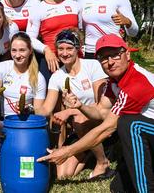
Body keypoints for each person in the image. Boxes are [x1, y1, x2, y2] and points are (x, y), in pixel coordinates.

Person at [37, 34, 154, 193]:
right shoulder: (115, 80)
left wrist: (67, 151)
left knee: (130, 125)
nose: (110, 62)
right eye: (104, 58)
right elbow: (101, 111)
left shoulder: (137, 82)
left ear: (127, 54)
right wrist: (80, 106)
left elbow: (107, 128)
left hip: (144, 130)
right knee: (117, 188)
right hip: (149, 131)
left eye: (115, 55)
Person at [36, 29, 111, 179]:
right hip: (79, 128)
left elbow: (101, 106)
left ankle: (102, 162)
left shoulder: (92, 66)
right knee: (63, 175)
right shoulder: (57, 76)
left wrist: (70, 111)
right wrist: (30, 108)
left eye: (69, 48)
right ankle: (89, 153)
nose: (64, 53)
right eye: (60, 49)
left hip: (101, 121)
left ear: (78, 48)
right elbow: (45, 109)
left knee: (79, 118)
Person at [27, 0, 79, 82]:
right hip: (52, 61)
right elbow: (29, 38)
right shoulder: (37, 9)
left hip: (75, 59)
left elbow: (81, 31)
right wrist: (46, 50)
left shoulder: (74, 5)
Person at [0, 31, 46, 117]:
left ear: (30, 51)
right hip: (5, 121)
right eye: (14, 50)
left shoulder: (39, 78)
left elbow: (39, 110)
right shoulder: (1, 67)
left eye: (22, 50)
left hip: (26, 121)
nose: (17, 55)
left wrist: (28, 108)